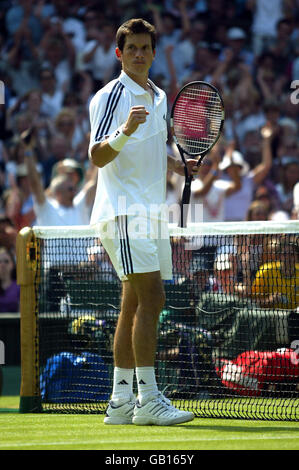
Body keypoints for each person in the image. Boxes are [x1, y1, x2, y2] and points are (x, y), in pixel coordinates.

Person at [88, 18, 196, 426]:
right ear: (119, 53)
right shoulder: (110, 96)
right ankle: (147, 400)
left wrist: (179, 164)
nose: (137, 54)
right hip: (124, 212)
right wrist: (124, 129)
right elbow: (97, 156)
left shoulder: (160, 95)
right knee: (154, 300)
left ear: (152, 52)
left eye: (144, 48)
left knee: (134, 302)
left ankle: (119, 403)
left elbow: (152, 150)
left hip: (151, 214)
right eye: (130, 47)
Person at [0, 246, 20, 313]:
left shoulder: (19, 287)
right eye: (0, 261)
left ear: (12, 264)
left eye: (6, 261)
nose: (2, 265)